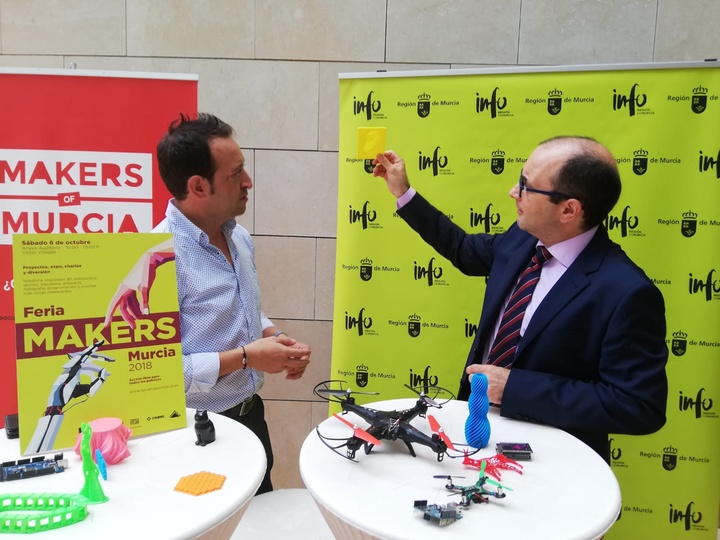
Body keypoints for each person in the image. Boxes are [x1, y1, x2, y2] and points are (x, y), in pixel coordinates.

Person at [372, 136, 668, 462]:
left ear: (569, 209)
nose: (514, 192)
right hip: (470, 437)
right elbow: (464, 250)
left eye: (526, 186)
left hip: (551, 465)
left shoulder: (626, 292)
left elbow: (638, 406)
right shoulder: (523, 237)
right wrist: (403, 192)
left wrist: (515, 389)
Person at [152, 113, 310, 493]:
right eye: (235, 173)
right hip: (194, 438)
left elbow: (242, 308)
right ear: (198, 186)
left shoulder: (239, 237)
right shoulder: (155, 258)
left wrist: (276, 336)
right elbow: (156, 372)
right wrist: (247, 357)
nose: (248, 181)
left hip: (251, 418)